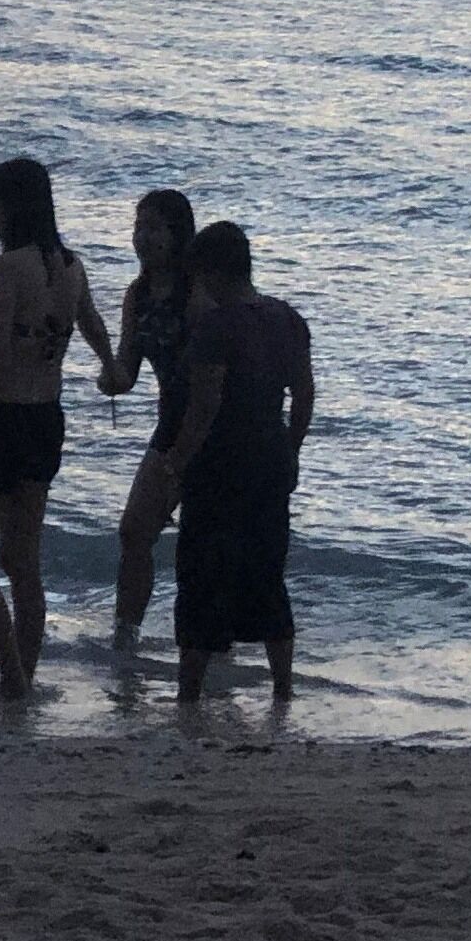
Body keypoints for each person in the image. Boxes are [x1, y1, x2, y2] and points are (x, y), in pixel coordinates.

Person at [0, 155, 112, 697]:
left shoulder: (8, 268)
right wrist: (110, 366)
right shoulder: (71, 264)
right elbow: (90, 321)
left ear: (13, 206)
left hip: (4, 419)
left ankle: (13, 678)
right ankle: (25, 675)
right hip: (47, 419)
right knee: (22, 559)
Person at [162, 220, 312, 704]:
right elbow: (304, 393)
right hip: (269, 458)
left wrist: (176, 465)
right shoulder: (286, 318)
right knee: (267, 572)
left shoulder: (216, 327)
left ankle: (190, 691)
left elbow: (205, 406)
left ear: (210, 273)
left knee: (202, 575)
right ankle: (283, 687)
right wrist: (291, 447)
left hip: (220, 465)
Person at [96, 188, 197, 648]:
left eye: (154, 227)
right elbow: (128, 371)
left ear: (178, 234)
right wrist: (108, 374)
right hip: (169, 423)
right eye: (138, 226)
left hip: (210, 427)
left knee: (205, 543)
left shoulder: (196, 292)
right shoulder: (137, 295)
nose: (142, 237)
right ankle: (126, 634)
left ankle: (209, 643)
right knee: (135, 530)